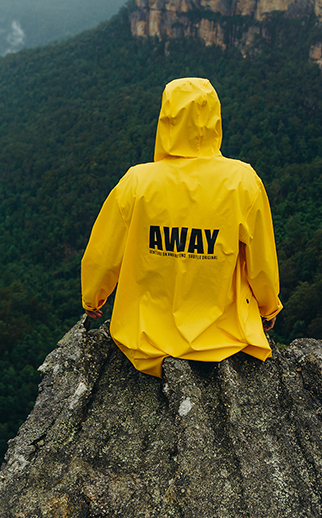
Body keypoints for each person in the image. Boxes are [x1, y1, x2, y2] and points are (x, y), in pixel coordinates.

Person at [81, 77, 282, 378]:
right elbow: (261, 261)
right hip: (224, 340)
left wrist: (93, 298)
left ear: (166, 120)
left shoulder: (137, 182)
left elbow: (104, 253)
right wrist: (268, 308)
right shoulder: (243, 182)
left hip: (145, 342)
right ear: (216, 121)